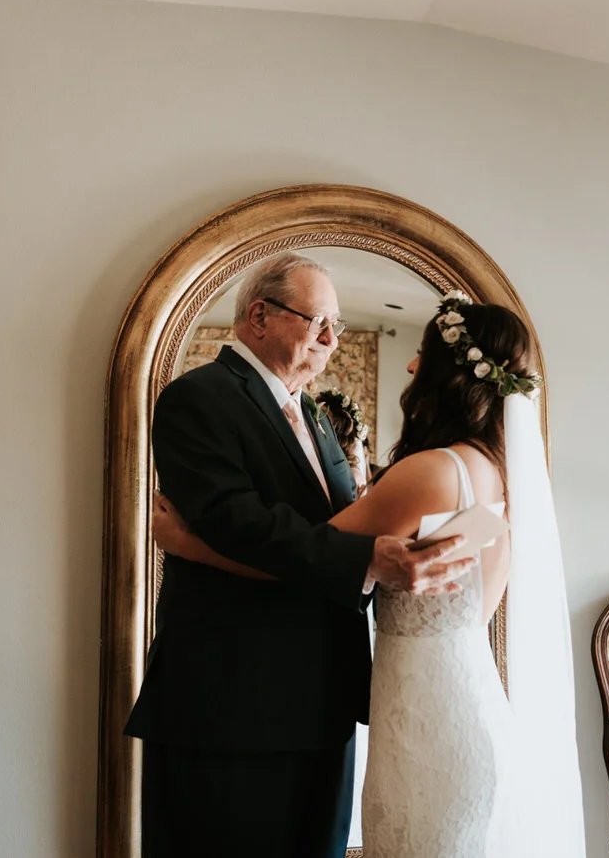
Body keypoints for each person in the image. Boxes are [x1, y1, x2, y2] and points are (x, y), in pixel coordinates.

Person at [155, 290, 587, 858]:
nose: (411, 364)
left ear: (448, 373)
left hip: (422, 720)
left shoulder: (428, 473)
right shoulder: (492, 471)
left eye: (423, 354)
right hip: (463, 699)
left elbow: (315, 554)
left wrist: (191, 544)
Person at [124, 253, 472, 858]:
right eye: (321, 322)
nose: (334, 340)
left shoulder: (311, 412)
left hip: (322, 705)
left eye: (335, 326)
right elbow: (241, 524)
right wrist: (370, 559)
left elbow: (332, 525)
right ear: (260, 316)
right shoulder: (199, 398)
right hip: (232, 706)